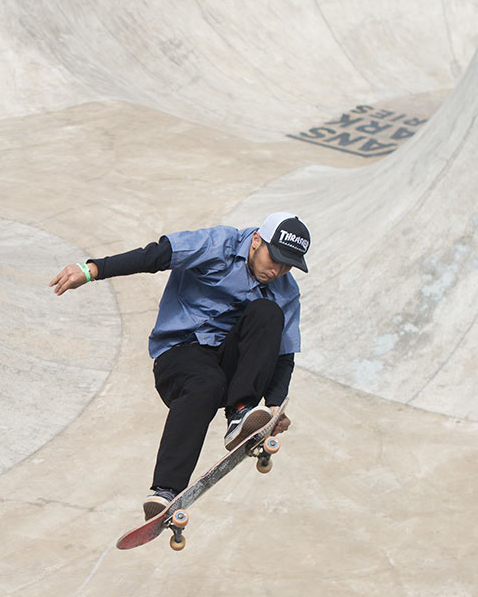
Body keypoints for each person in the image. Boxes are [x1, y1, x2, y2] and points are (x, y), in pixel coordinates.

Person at [50, 212, 309, 520]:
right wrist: (93, 269)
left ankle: (241, 412)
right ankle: (165, 491)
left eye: (286, 265)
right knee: (206, 382)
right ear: (256, 240)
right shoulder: (218, 244)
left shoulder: (286, 290)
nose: (277, 271)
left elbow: (284, 356)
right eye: (274, 259)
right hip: (180, 356)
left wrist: (275, 407)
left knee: (268, 313)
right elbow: (157, 255)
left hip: (232, 366)